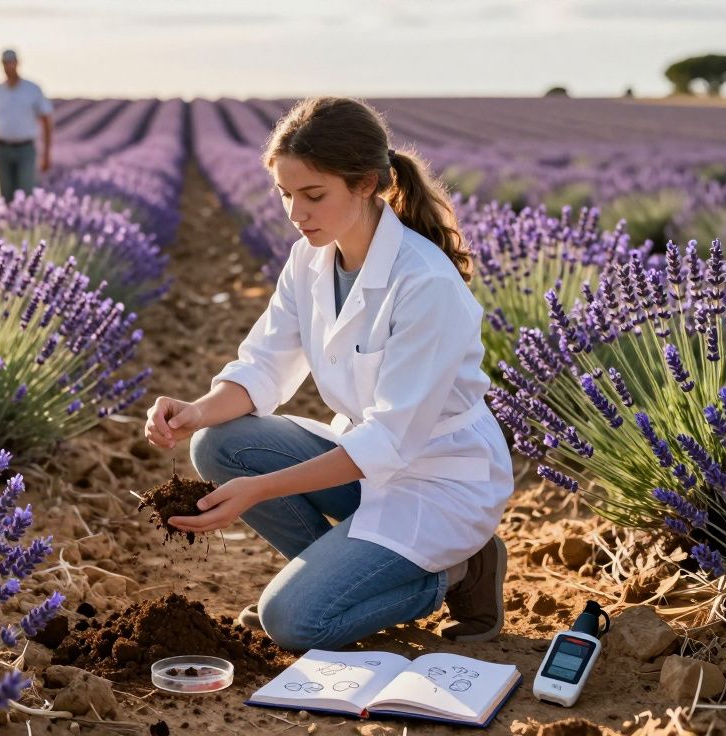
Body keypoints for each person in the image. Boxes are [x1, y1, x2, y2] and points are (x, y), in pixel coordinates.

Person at [143, 97, 515, 652]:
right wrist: (195, 410)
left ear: (366, 184)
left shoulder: (424, 283)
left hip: (436, 480)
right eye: (286, 195)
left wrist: (261, 489)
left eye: (313, 195)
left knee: (294, 624)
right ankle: (337, 576)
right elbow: (264, 364)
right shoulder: (308, 261)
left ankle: (460, 571)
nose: (296, 213)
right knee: (217, 442)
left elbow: (391, 439)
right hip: (364, 462)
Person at [0, 48, 53, 200]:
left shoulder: (33, 89)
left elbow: (46, 120)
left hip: (26, 149)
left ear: (17, 63)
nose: (8, 66)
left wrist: (46, 153)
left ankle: (22, 223)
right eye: (5, 63)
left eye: (11, 62)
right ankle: (6, 224)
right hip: (1, 148)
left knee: (25, 193)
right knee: (3, 195)